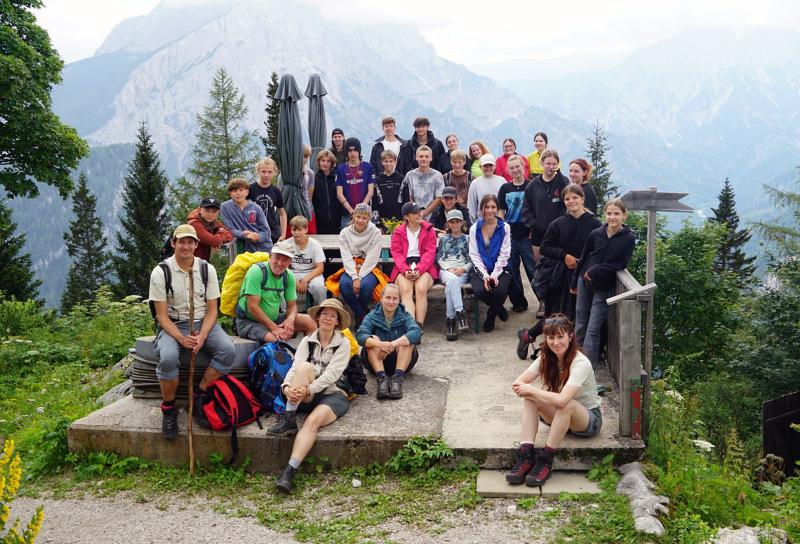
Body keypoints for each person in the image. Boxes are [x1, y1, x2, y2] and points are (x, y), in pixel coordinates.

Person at [149, 225, 236, 440]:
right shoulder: (161, 271)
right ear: (173, 243)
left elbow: (213, 309)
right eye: (181, 241)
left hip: (203, 322)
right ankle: (169, 409)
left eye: (190, 242)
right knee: (168, 357)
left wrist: (203, 335)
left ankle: (199, 393)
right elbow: (161, 315)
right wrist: (181, 338)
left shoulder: (207, 269)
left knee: (228, 350)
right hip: (173, 324)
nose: (186, 246)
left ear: (197, 245)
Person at [505, 314, 602, 488]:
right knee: (530, 398)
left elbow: (563, 399)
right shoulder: (545, 357)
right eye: (551, 337)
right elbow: (518, 383)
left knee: (564, 403)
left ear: (570, 336)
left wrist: (534, 390)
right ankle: (526, 455)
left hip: (587, 420)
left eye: (560, 337)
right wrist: (530, 392)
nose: (555, 342)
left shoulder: (581, 362)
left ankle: (545, 460)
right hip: (559, 415)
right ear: (546, 338)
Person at [270, 298, 353, 494]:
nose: (327, 318)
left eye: (333, 316)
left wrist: (308, 390)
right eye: (324, 314)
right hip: (306, 393)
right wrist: (287, 387)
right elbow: (295, 367)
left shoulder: (343, 343)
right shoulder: (307, 341)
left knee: (312, 422)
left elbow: (331, 375)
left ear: (338, 321)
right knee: (304, 366)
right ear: (317, 317)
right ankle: (289, 417)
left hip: (333, 393)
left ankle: (289, 471)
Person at [516, 184, 601, 360]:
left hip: (582, 276)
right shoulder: (558, 224)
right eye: (567, 199)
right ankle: (530, 337)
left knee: (575, 316)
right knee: (556, 316)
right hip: (559, 276)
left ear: (582, 199)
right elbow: (545, 247)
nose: (571, 201)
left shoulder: (594, 224)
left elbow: (598, 250)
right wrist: (564, 256)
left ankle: (557, 349)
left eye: (574, 198)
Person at [573, 198, 635, 368]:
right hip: (584, 282)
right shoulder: (596, 234)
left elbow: (621, 264)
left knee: (593, 328)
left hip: (603, 285)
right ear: (604, 214)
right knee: (580, 325)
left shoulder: (628, 238)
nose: (612, 217)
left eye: (616, 214)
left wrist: (598, 269)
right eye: (609, 213)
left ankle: (587, 369)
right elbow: (584, 257)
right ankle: (574, 363)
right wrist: (574, 281)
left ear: (624, 216)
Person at [234, 240, 316, 343]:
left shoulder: (288, 275)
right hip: (249, 322)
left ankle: (307, 356)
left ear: (290, 262)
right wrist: (274, 328)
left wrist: (290, 320)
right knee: (277, 340)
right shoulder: (257, 271)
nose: (279, 263)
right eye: (277, 258)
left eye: (285, 260)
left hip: (275, 319)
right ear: (271, 256)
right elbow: (252, 307)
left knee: (310, 322)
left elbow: (292, 305)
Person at [356, 283, 421, 400]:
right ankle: (382, 379)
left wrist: (393, 344)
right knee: (372, 339)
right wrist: (380, 344)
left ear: (399, 301)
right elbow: (360, 335)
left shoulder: (405, 315)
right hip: (376, 360)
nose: (391, 301)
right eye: (388, 297)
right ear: (381, 299)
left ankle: (397, 378)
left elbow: (416, 333)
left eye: (395, 298)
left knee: (408, 341)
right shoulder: (372, 316)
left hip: (401, 360)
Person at [390, 202, 438, 327]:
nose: (419, 214)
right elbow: (397, 253)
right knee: (406, 290)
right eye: (415, 212)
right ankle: (411, 326)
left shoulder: (429, 230)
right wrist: (405, 270)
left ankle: (419, 325)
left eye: (420, 211)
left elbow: (430, 252)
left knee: (421, 288)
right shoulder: (398, 232)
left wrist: (419, 269)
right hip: (403, 266)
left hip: (424, 266)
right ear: (407, 217)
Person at [469, 194, 511, 332]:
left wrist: (494, 275)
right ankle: (498, 308)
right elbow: (474, 254)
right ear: (482, 209)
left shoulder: (504, 227)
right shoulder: (474, 228)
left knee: (500, 291)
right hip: (480, 269)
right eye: (486, 207)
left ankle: (492, 314)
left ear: (497, 209)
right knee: (481, 291)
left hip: (500, 268)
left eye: (493, 207)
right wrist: (486, 276)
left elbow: (505, 254)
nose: (490, 210)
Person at [498, 155, 535, 313]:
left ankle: (543, 300)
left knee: (533, 270)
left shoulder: (532, 186)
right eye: (511, 168)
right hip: (510, 235)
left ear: (523, 167)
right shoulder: (505, 188)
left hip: (527, 235)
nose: (515, 170)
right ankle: (519, 302)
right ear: (508, 170)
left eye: (517, 166)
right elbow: (501, 210)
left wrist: (533, 231)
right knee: (512, 271)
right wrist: (501, 230)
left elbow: (536, 210)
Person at [337, 203, 383, 322]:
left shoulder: (376, 232)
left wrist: (360, 277)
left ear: (369, 219)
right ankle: (362, 316)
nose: (360, 220)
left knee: (365, 286)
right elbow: (346, 257)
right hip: (352, 266)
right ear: (353, 216)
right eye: (358, 217)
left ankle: (360, 317)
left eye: (364, 218)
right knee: (344, 285)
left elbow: (372, 258)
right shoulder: (345, 233)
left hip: (369, 267)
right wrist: (354, 277)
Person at [523, 149, 568, 266]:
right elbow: (526, 211)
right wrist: (536, 224)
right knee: (540, 267)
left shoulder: (563, 182)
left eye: (554, 164)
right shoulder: (532, 186)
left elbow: (569, 206)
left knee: (559, 267)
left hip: (559, 234)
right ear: (541, 163)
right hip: (539, 236)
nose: (551, 167)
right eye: (548, 163)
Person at [436, 209, 472, 340]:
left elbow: (473, 258)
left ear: (462, 222)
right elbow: (439, 257)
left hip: (462, 271)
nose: (455, 224)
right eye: (452, 222)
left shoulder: (468, 239)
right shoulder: (444, 239)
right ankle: (460, 312)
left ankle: (450, 321)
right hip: (446, 270)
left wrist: (464, 269)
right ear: (448, 224)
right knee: (452, 280)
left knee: (451, 285)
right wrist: (448, 269)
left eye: (457, 221)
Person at [220, 177, 272, 253]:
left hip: (264, 248)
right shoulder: (225, 207)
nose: (238, 193)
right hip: (246, 251)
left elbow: (267, 231)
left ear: (247, 192)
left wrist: (257, 236)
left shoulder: (256, 208)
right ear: (230, 194)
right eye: (234, 191)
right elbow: (230, 228)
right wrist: (245, 235)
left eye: (241, 190)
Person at [286, 215, 327, 306]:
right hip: (293, 272)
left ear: (306, 230)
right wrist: (293, 279)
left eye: (300, 230)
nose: (296, 233)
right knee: (281, 285)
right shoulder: (286, 244)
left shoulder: (315, 245)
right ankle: (284, 312)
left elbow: (320, 268)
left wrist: (305, 280)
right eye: (294, 230)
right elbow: (284, 267)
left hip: (312, 272)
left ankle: (320, 310)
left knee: (319, 287)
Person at [336, 137, 375, 229]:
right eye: (349, 151)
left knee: (366, 240)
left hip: (364, 214)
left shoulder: (367, 167)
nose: (352, 153)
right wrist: (350, 210)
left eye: (355, 150)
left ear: (359, 151)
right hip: (347, 214)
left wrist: (360, 209)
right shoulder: (341, 168)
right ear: (346, 152)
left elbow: (370, 191)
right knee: (346, 241)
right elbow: (339, 193)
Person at [400, 145, 445, 221]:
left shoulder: (437, 175)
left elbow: (439, 198)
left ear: (431, 158)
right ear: (416, 158)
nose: (424, 159)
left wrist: (424, 213)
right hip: (413, 217)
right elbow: (408, 196)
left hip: (433, 218)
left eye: (427, 156)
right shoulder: (410, 175)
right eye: (421, 156)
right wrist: (415, 213)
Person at [249, 158, 287, 245]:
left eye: (269, 172)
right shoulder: (250, 189)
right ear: (258, 171)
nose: (266, 175)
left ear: (274, 172)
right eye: (263, 171)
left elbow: (282, 214)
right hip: (254, 232)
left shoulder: (275, 190)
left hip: (272, 233)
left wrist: (283, 234)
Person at [372, 149, 406, 228]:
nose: (388, 164)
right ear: (381, 162)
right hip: (382, 220)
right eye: (386, 161)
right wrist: (377, 223)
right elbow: (374, 203)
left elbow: (406, 200)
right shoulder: (377, 181)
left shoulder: (402, 179)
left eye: (391, 161)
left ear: (395, 162)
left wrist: (405, 220)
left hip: (400, 220)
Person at [467, 154, 506, 223]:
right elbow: (471, 206)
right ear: (480, 167)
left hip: (499, 223)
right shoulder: (475, 183)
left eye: (490, 165)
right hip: (481, 223)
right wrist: (476, 223)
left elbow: (506, 203)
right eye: (485, 166)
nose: (488, 168)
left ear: (495, 166)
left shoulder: (502, 181)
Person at [311, 149, 342, 235]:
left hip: (336, 218)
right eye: (323, 160)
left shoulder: (337, 177)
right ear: (318, 161)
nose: (325, 163)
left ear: (332, 163)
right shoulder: (314, 178)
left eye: (328, 161)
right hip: (320, 219)